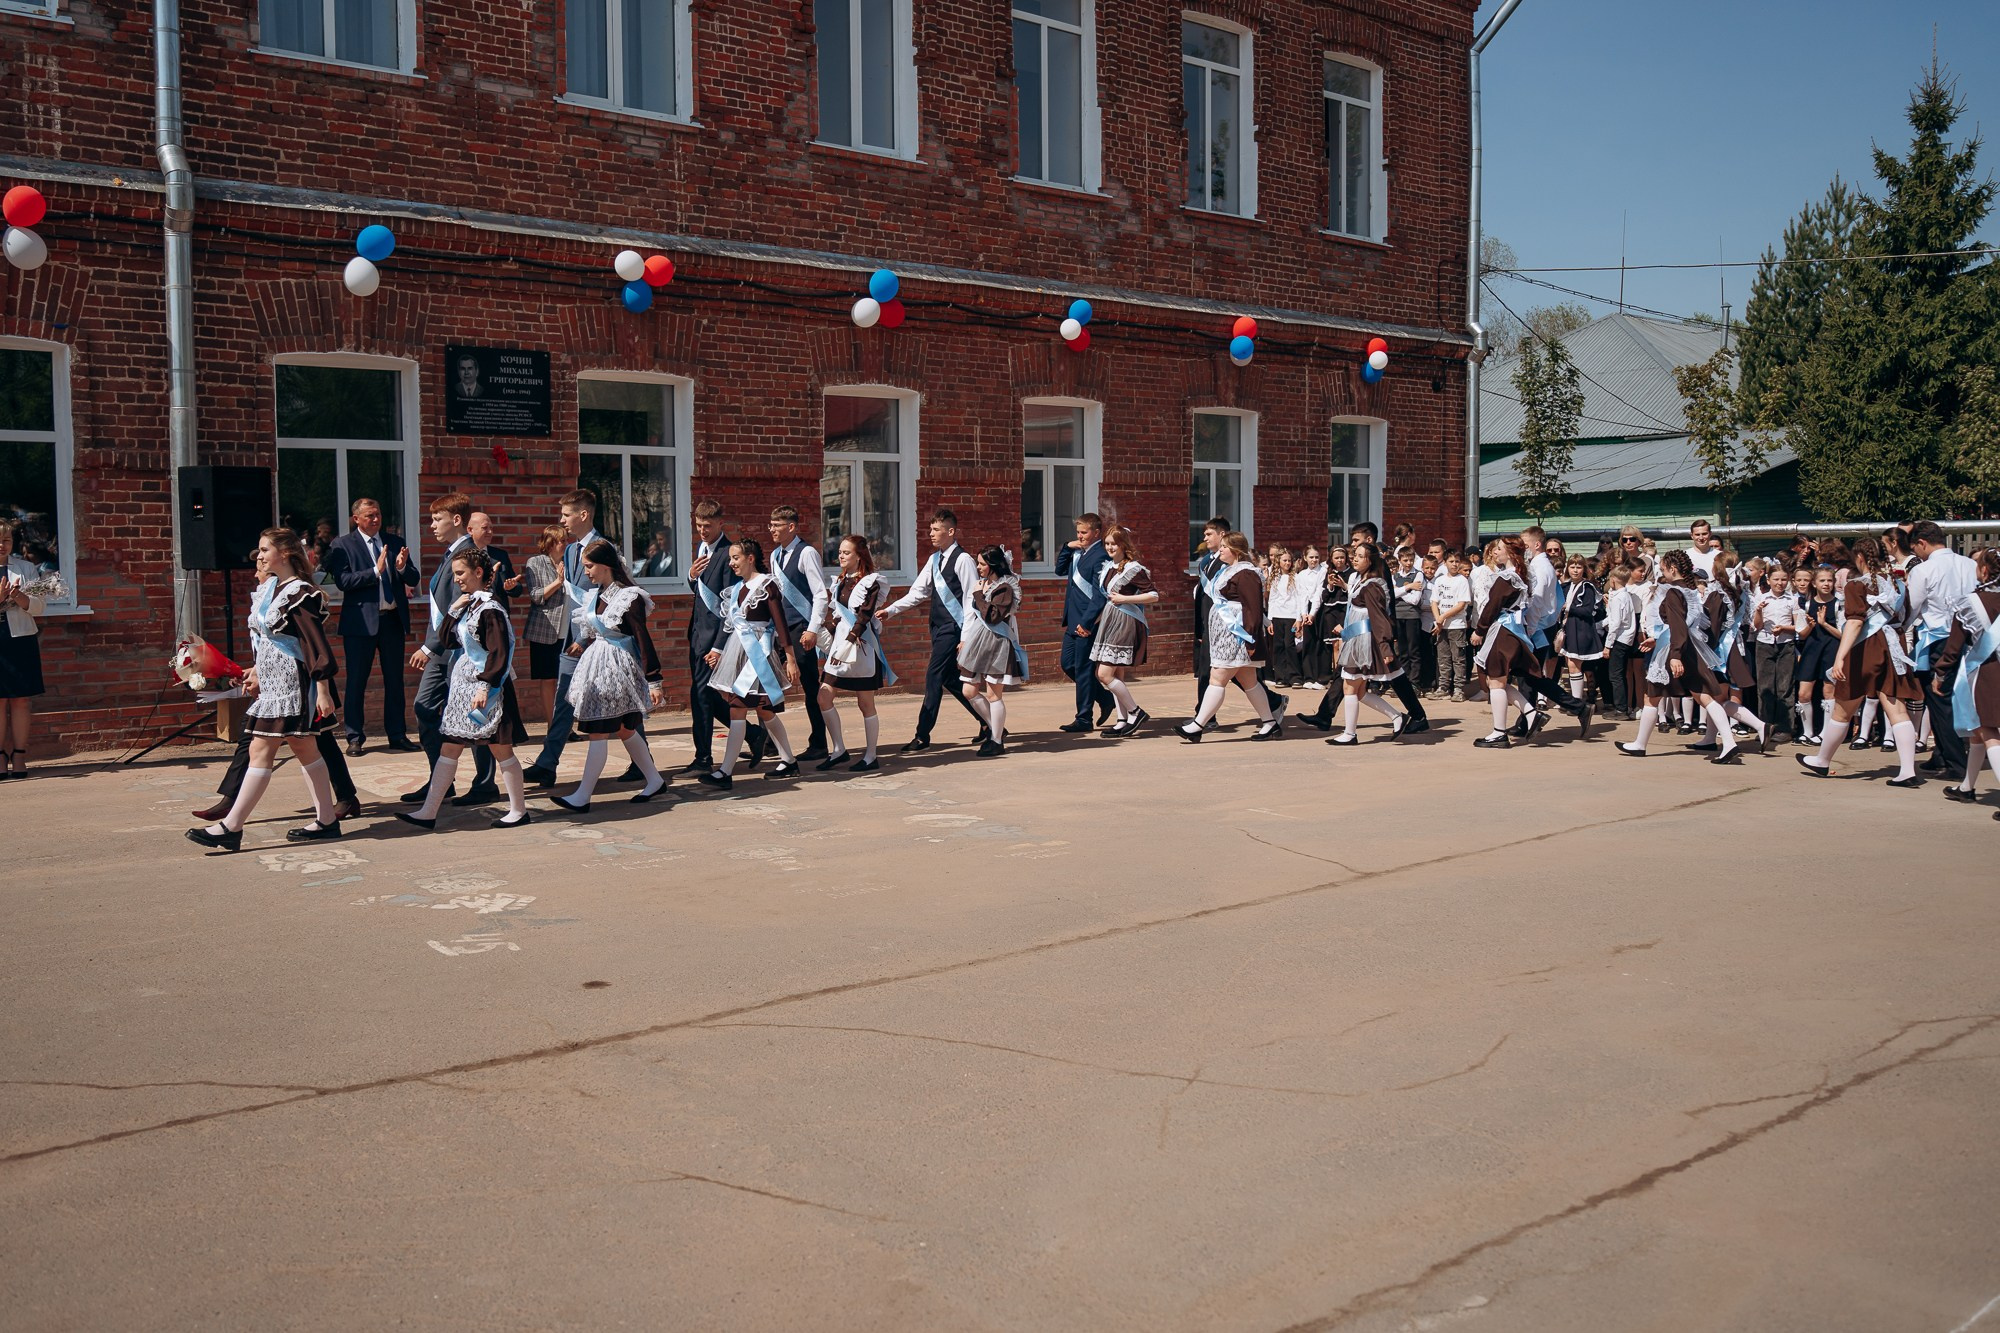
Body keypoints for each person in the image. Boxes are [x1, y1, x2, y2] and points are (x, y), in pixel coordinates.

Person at [186, 529, 345, 851]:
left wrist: (324, 690)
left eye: (264, 550)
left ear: (284, 554)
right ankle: (327, 820)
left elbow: (314, 646)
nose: (258, 556)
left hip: (293, 686)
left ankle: (232, 827)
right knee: (305, 749)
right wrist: (257, 670)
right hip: (274, 683)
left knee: (261, 749)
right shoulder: (273, 589)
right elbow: (276, 642)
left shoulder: (298, 593)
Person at [395, 547, 533, 830]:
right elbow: (449, 641)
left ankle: (519, 810)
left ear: (478, 573)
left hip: (488, 688)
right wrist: (454, 609)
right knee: (450, 746)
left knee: (500, 748)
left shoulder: (491, 609)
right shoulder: (471, 605)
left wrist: (486, 687)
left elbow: (499, 651)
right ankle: (428, 811)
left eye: (460, 573)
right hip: (464, 688)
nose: (456, 578)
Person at [550, 539, 667, 810]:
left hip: (619, 669)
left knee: (599, 731)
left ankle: (582, 796)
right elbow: (597, 628)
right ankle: (654, 780)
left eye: (590, 566)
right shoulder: (599, 596)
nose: (587, 572)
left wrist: (654, 679)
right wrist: (582, 641)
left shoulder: (630, 597)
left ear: (605, 565)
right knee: (626, 729)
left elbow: (642, 638)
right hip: (598, 667)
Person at [1797, 537, 1925, 785]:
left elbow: (1855, 624)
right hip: (1893, 647)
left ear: (1861, 558)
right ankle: (1908, 770)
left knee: (1843, 706)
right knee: (1896, 709)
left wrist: (1840, 657)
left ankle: (1822, 760)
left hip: (1866, 649)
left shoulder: (1856, 586)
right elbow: (1909, 614)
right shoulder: (1897, 585)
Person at [1616, 550, 1746, 763]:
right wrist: (1658, 639)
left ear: (1672, 568)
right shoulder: (1690, 590)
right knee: (1702, 695)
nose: (1662, 571)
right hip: (1685, 647)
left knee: (1654, 695)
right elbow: (1686, 624)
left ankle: (1640, 745)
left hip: (1675, 649)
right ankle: (1729, 743)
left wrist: (1674, 654)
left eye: (1664, 568)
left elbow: (1677, 624)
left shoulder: (1673, 592)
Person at [880, 509, 987, 752]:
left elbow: (972, 600)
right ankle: (989, 721)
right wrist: (891, 610)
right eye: (930, 530)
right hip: (938, 627)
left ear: (950, 531)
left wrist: (967, 637)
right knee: (950, 678)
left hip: (955, 629)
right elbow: (918, 592)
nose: (931, 534)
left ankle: (922, 735)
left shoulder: (963, 560)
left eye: (936, 530)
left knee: (933, 678)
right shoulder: (934, 559)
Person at [700, 538, 802, 789]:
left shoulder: (767, 585)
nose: (732, 563)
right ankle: (788, 760)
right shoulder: (737, 589)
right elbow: (732, 624)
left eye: (736, 558)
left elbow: (780, 624)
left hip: (759, 652)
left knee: (738, 708)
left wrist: (790, 659)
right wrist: (720, 651)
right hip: (738, 650)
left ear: (750, 558)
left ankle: (725, 772)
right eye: (731, 558)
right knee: (764, 711)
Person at [322, 497, 419, 756]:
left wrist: (400, 569)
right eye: (369, 516)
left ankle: (397, 735)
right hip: (360, 624)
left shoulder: (395, 541)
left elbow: (414, 576)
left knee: (395, 681)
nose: (375, 519)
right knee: (356, 682)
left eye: (377, 514)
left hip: (391, 620)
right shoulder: (343, 544)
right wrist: (374, 572)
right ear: (356, 519)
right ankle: (354, 737)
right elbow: (343, 581)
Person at [403, 493, 481, 807]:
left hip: (458, 647)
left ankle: (485, 782)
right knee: (424, 708)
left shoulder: (469, 553)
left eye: (438, 519)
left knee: (475, 717)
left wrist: (429, 646)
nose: (432, 525)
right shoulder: (451, 553)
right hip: (442, 647)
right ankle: (441, 779)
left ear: (457, 520)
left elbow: (460, 605)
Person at [522, 490, 602, 787]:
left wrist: (586, 637)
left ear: (583, 515)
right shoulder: (569, 552)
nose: (562, 520)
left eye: (566, 515)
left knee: (618, 705)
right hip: (571, 639)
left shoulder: (602, 547)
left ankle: (642, 763)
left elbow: (605, 597)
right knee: (563, 699)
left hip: (597, 640)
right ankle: (547, 763)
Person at [684, 500, 764, 775]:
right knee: (704, 696)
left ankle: (703, 758)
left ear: (720, 523)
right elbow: (701, 590)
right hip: (696, 633)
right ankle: (754, 735)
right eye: (698, 525)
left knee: (703, 698)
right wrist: (691, 576)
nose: (702, 531)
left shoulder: (729, 554)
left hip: (714, 637)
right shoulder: (702, 549)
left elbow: (731, 607)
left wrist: (719, 645)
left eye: (707, 526)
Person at [1178, 531, 1281, 742]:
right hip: (1226, 635)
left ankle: (1198, 726)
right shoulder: (1228, 571)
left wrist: (1251, 638)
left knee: (1217, 677)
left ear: (1235, 550)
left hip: (1238, 636)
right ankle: (1270, 723)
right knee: (1249, 681)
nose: (1221, 550)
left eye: (1224, 547)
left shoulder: (1246, 574)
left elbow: (1252, 607)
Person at [1906, 521, 1979, 781]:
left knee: (1940, 699)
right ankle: (1942, 753)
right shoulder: (1969, 565)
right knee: (1950, 696)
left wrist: (1900, 625)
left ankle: (1956, 763)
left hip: (1938, 639)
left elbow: (1912, 606)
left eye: (1915, 548)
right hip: (1969, 637)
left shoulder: (1923, 570)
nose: (1916, 553)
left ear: (1922, 543)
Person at [815, 533, 893, 772]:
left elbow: (865, 615)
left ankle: (871, 756)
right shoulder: (839, 581)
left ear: (859, 556)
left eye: (846, 552)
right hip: (840, 645)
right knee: (824, 696)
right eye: (839, 552)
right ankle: (839, 749)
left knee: (865, 703)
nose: (840, 556)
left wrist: (851, 640)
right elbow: (838, 616)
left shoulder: (871, 581)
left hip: (862, 646)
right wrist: (820, 632)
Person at [1933, 548, 2000, 814]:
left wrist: (1940, 674)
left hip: (1986, 672)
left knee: (1987, 730)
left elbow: (1954, 646)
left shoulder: (1971, 602)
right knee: (1977, 732)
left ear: (1984, 570)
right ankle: (1967, 787)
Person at [1327, 541, 1410, 745]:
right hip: (1356, 639)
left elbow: (1379, 617)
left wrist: (1384, 646)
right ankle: (1397, 717)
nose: (1354, 558)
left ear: (1370, 560)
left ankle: (1350, 734)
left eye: (1360, 555)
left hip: (1364, 641)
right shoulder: (1361, 581)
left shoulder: (1373, 585)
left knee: (1350, 687)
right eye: (1354, 554)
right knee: (1360, 691)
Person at [766, 505, 832, 760]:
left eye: (776, 525)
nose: (771, 529)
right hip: (783, 628)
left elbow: (819, 594)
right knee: (769, 679)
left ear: (791, 527)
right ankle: (770, 742)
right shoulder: (775, 555)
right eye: (770, 524)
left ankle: (819, 742)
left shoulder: (807, 553)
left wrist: (813, 629)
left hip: (802, 628)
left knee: (808, 685)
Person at [1469, 538, 1542, 748]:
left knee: (1497, 681)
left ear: (1510, 553)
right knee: (1496, 681)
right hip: (1512, 630)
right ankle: (1531, 713)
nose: (1495, 552)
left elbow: (1492, 606)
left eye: (1499, 549)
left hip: (1503, 630)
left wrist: (1479, 630)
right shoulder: (1519, 576)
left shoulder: (1507, 578)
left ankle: (1499, 732)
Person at [958, 545, 1029, 756]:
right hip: (978, 640)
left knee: (993, 693)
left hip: (997, 641)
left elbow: (993, 616)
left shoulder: (1006, 587)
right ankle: (996, 729)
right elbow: (975, 614)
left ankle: (996, 740)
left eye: (982, 563)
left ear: (992, 565)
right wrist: (965, 639)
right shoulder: (984, 584)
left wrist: (979, 594)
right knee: (968, 690)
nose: (978, 567)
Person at [1090, 523, 1158, 736]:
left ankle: (1135, 712)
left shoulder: (1134, 569)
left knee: (1104, 674)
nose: (1110, 548)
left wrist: (1125, 598)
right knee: (1116, 672)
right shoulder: (1109, 567)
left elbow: (1154, 595)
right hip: (1110, 620)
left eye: (1114, 544)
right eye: (1107, 544)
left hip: (1125, 620)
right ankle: (1122, 719)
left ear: (1123, 545)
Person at [1055, 513, 1115, 732]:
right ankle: (1105, 698)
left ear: (1096, 533)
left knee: (1082, 668)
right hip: (1072, 620)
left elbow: (1100, 594)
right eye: (1078, 532)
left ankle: (1083, 718)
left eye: (1084, 532)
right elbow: (1059, 570)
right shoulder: (1078, 551)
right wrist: (1066, 547)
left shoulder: (1100, 555)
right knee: (1068, 663)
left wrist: (1088, 622)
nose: (1079, 536)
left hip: (1086, 622)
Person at [0, 518, 48, 779]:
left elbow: (40, 608)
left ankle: (19, 755)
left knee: (20, 700)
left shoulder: (26, 569)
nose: (2, 545)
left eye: (7, 540)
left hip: (21, 640)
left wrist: (20, 597)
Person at [1752, 563, 1806, 742]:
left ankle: (1786, 728)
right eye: (1776, 579)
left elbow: (1798, 626)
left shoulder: (1792, 600)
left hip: (1786, 645)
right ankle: (1764, 727)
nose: (1780, 583)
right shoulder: (1761, 597)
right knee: (1765, 688)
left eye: (1783, 579)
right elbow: (1756, 626)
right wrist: (1759, 611)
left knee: (1785, 687)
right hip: (1764, 644)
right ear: (1768, 580)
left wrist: (1784, 628)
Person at [523, 524, 568, 724]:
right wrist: (558, 582)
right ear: (550, 543)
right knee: (549, 678)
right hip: (545, 630)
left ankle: (566, 724)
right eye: (562, 541)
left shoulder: (572, 562)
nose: (566, 545)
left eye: (567, 540)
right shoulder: (536, 562)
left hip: (569, 629)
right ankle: (553, 725)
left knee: (568, 680)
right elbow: (536, 595)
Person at [1558, 554, 1612, 713]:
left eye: (1579, 567)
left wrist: (1568, 608)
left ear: (1584, 569)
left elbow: (1588, 611)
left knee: (1575, 665)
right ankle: (1577, 703)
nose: (1575, 570)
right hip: (1570, 629)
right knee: (1571, 665)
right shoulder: (1565, 586)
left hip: (1582, 629)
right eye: (1572, 566)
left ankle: (1578, 705)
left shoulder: (1587, 587)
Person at [1795, 566, 1841, 744]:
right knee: (1804, 693)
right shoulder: (1806, 604)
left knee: (1829, 691)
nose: (1826, 584)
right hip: (1811, 649)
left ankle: (1825, 732)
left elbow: (1843, 634)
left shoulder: (1838, 604)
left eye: (1829, 580)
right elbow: (1802, 634)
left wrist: (1824, 624)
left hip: (1831, 649)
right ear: (1814, 583)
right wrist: (1811, 625)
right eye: (1822, 580)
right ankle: (1807, 732)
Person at [1430, 549, 1472, 703]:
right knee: (1443, 657)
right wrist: (1438, 620)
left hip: (1456, 625)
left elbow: (1461, 605)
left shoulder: (1462, 580)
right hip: (1441, 626)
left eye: (1457, 561)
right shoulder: (1440, 580)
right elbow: (1434, 602)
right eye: (1451, 561)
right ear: (1445, 562)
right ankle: (1443, 687)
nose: (1454, 564)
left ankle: (1459, 689)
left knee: (1458, 658)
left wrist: (1443, 617)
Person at [1264, 547, 1308, 690]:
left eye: (1289, 560)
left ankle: (1295, 676)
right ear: (1278, 562)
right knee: (1278, 646)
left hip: (1291, 616)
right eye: (1285, 560)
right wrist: (1270, 620)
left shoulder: (1295, 577)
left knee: (1289, 645)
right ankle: (1281, 677)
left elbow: (1299, 598)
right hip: (1277, 616)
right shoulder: (1274, 578)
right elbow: (1272, 599)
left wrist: (1298, 618)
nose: (1287, 563)